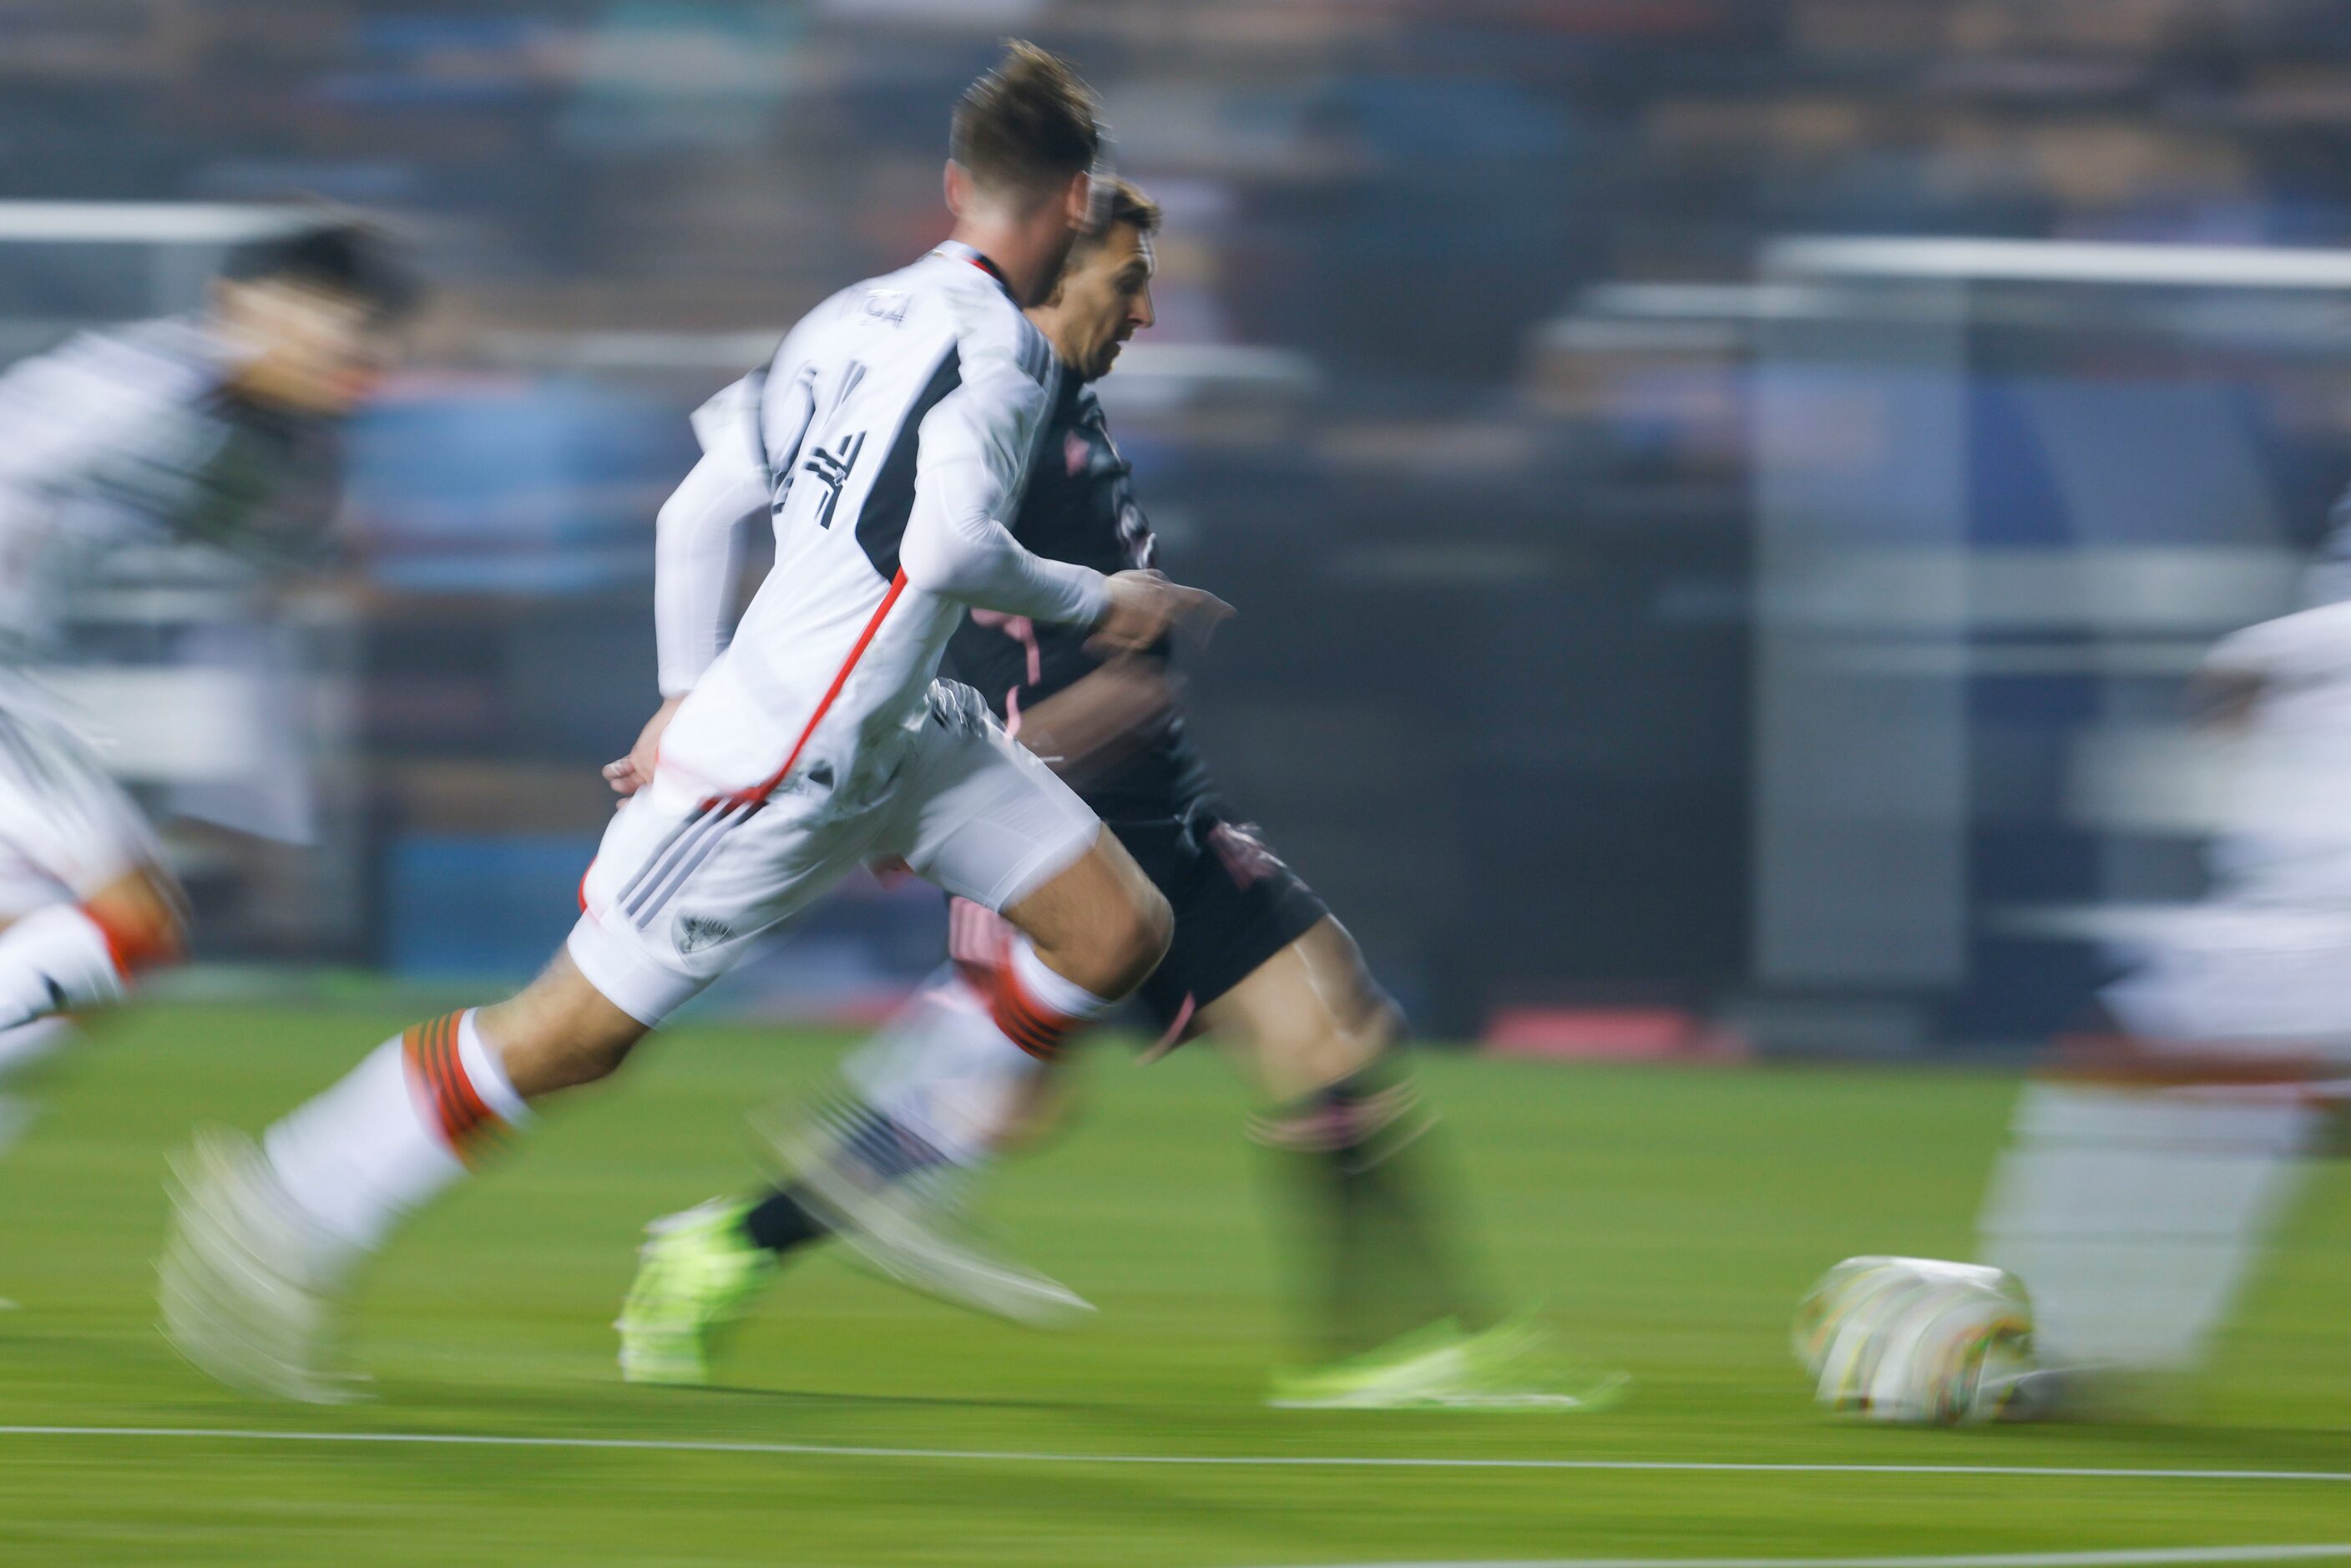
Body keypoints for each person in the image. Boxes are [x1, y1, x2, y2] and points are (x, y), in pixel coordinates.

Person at [159, 42, 1227, 1404]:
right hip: (782, 761)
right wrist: (1105, 595)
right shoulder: (1003, 358)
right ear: (1074, 201)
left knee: (1114, 927)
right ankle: (287, 1199)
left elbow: (697, 506)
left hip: (898, 728)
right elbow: (953, 544)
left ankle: (894, 1155)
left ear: (957, 186)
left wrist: (676, 681)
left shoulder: (849, 314)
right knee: (568, 1037)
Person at [615, 183, 1623, 1412]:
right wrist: (918, 753)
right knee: (1018, 1103)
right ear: (1044, 264)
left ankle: (1387, 1346)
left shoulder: (1057, 406)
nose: (1148, 309)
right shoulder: (980, 409)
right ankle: (729, 1243)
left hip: (1156, 806)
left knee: (1327, 1028)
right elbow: (872, 570)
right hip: (1058, 814)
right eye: (1125, 282)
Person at [0, 219, 417, 1158]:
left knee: (53, 955)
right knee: (128, 929)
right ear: (244, 308)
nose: (358, 353)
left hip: (28, 685)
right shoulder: (145, 388)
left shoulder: (280, 446)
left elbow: (265, 565)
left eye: (372, 331)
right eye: (337, 324)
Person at [1972, 497, 2351, 1418]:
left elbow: (2230, 693)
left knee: (2120, 1085)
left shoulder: (2294, 642)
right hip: (2282, 931)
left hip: (2292, 935)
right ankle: (2063, 1349)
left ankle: (2058, 1351)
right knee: (2147, 1084)